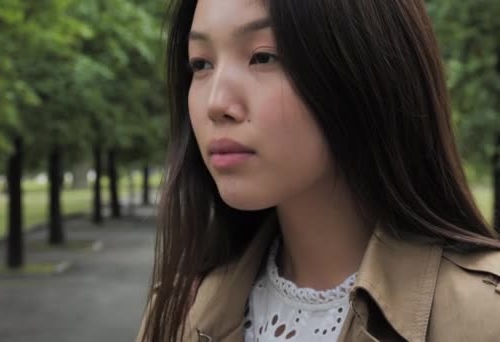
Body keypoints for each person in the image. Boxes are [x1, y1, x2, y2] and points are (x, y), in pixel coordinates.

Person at [137, 0, 500, 341]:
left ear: (364, 68)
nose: (216, 103)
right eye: (200, 64)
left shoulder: (484, 315)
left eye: (262, 57)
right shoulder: (177, 310)